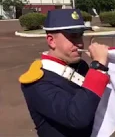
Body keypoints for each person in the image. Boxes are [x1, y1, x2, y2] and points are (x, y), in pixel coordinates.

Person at [19, 9, 110, 137]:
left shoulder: (80, 65)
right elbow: (77, 117)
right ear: (51, 41)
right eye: (73, 36)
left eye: (80, 35)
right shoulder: (37, 81)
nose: (79, 43)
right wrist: (98, 66)